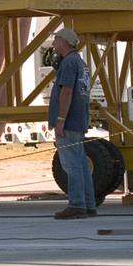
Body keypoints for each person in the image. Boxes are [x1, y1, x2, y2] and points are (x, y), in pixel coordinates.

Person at [48, 26, 95, 219]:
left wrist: (60, 120)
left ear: (63, 41)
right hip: (79, 118)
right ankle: (88, 203)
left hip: (68, 121)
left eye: (56, 39)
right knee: (81, 164)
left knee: (72, 165)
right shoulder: (81, 62)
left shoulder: (68, 63)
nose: (53, 43)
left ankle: (77, 204)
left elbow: (66, 92)